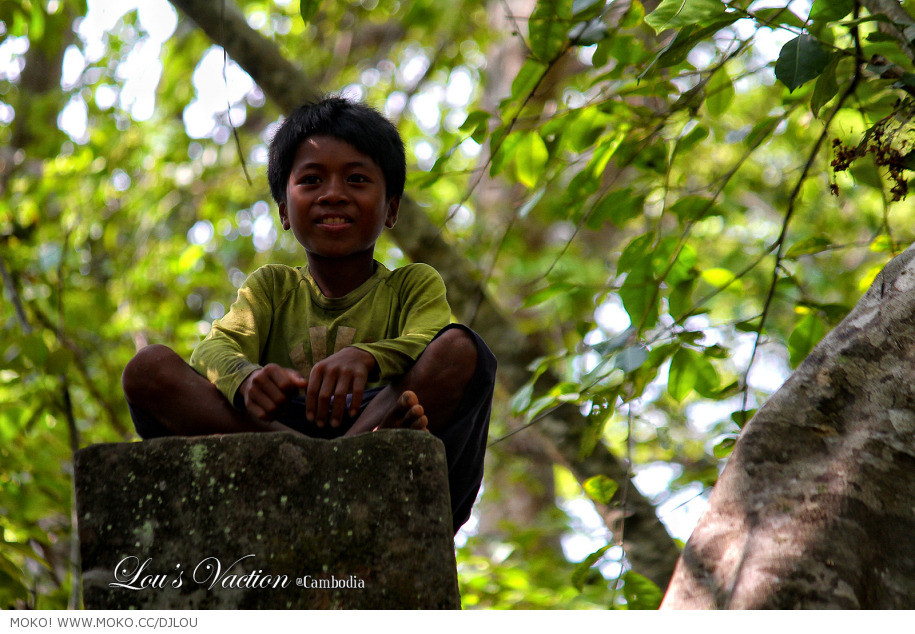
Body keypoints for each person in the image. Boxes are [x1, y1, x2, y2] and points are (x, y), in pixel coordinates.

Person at [121, 96, 496, 532]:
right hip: (274, 435)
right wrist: (243, 379)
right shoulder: (271, 286)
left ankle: (348, 458)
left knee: (460, 347)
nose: (333, 195)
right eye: (312, 180)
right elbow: (213, 349)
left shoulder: (413, 284)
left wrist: (368, 357)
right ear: (283, 209)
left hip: (380, 419)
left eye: (357, 179)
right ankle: (320, 464)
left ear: (391, 208)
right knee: (147, 369)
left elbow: (429, 336)